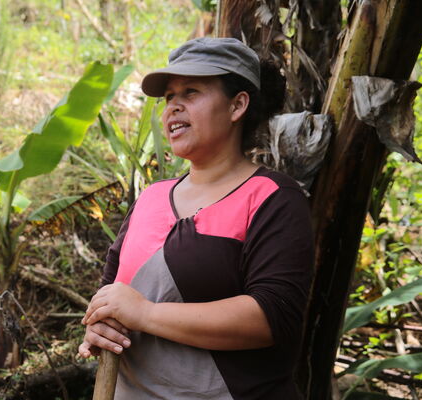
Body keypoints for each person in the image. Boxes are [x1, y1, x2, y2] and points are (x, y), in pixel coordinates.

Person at [78, 37, 314, 400]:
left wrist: (146, 314)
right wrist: (98, 328)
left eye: (191, 92)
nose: (173, 106)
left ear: (237, 105)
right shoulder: (151, 198)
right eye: (169, 96)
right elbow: (111, 295)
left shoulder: (272, 197)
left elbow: (273, 316)